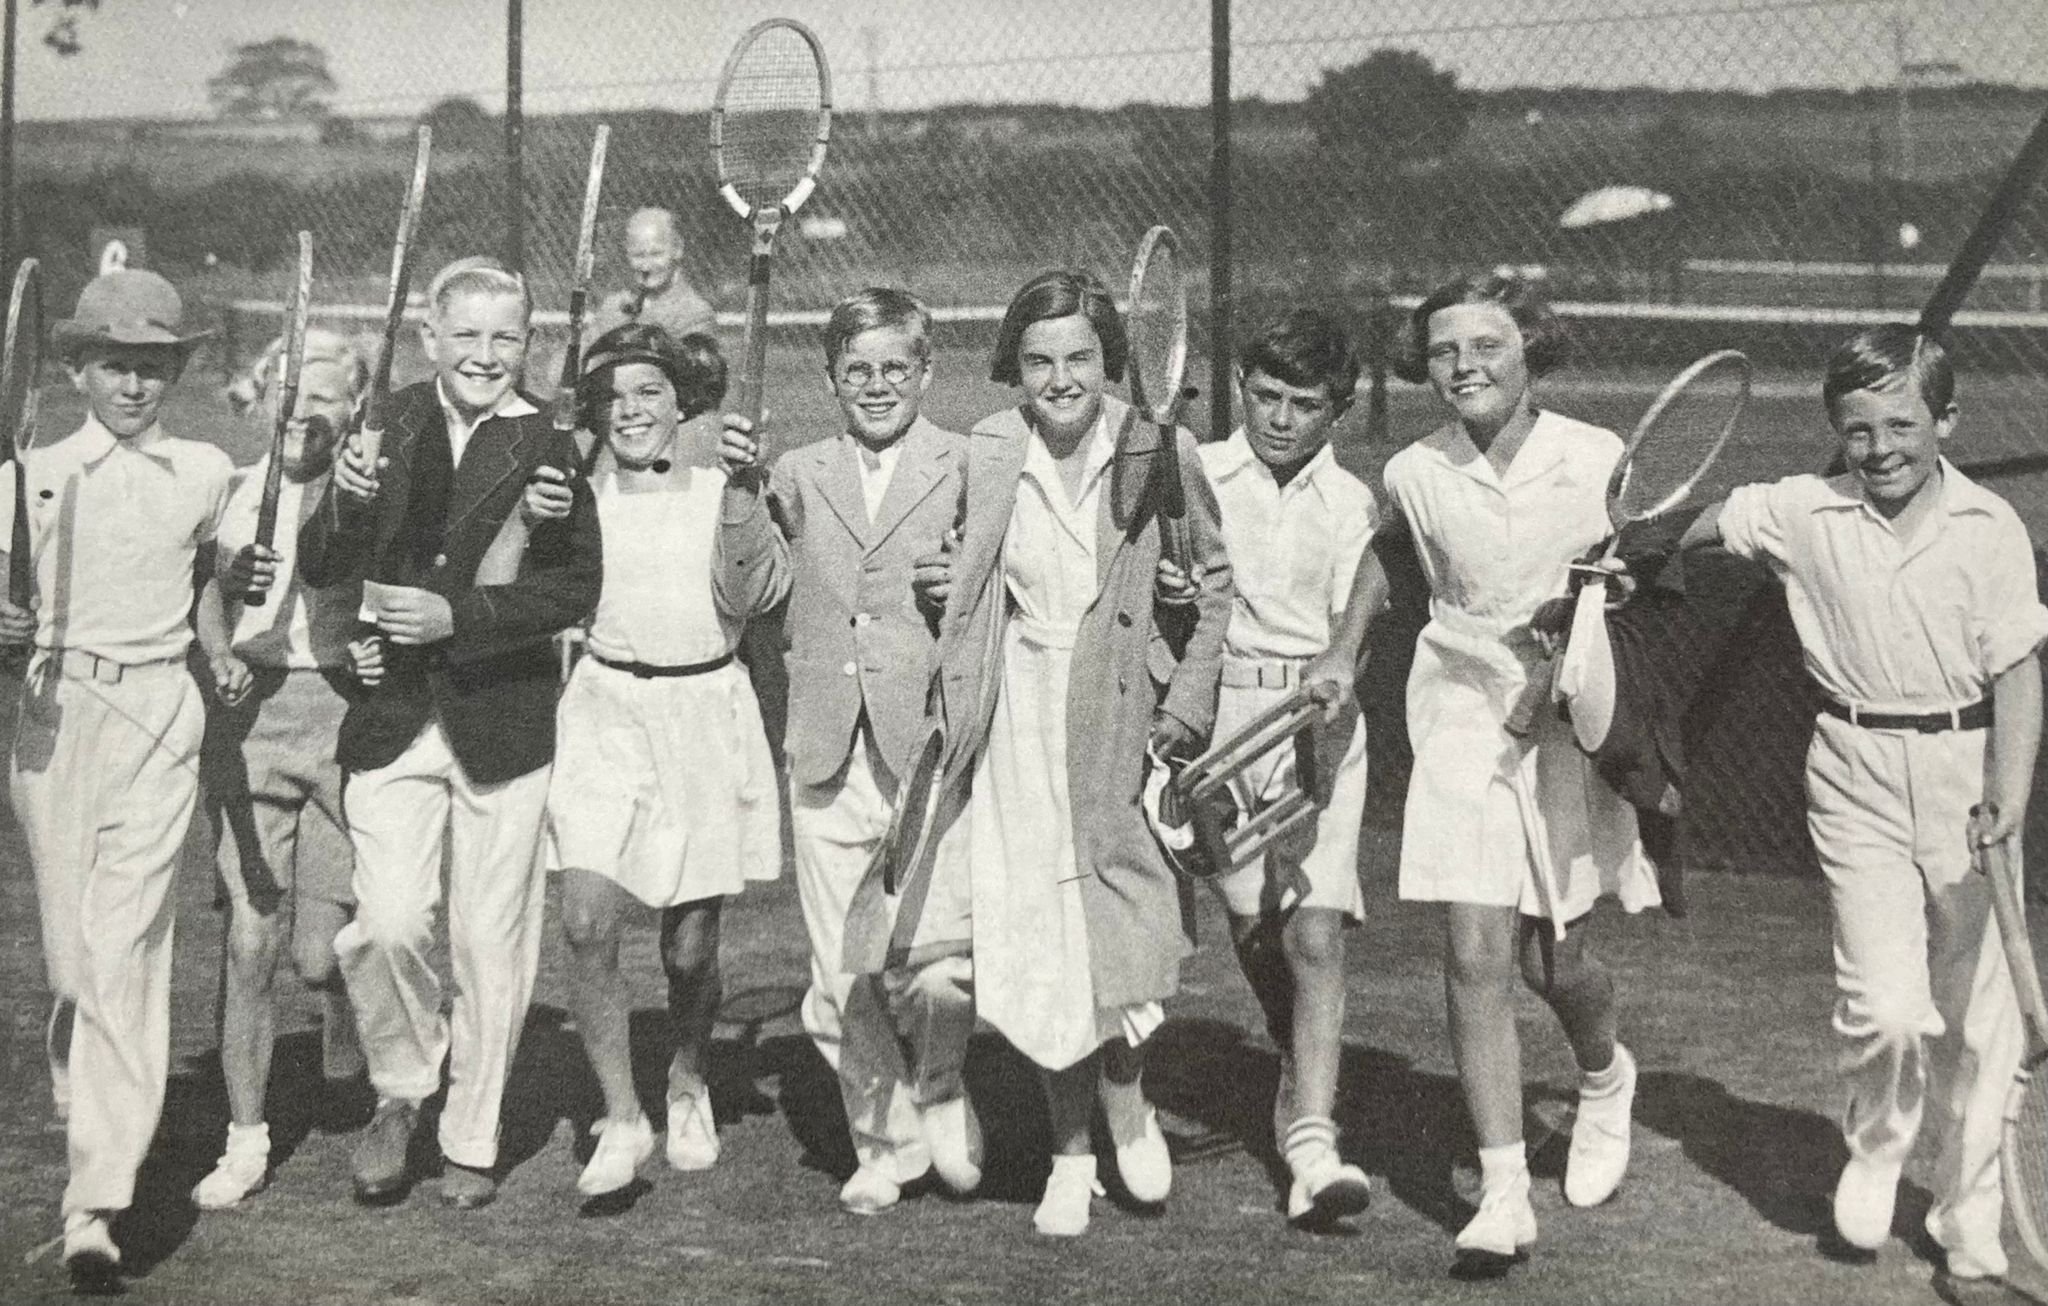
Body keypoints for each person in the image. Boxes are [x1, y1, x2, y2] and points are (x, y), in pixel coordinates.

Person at [1676, 325, 2043, 1282]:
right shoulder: (1803, 511)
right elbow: (1706, 518)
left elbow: (2019, 674)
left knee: (1977, 1022)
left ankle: (1967, 1213)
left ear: (1947, 421)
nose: (1880, 450)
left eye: (1901, 425)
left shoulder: (1992, 528)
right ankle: (1878, 1148)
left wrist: (2008, 793)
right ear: (1836, 433)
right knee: (1885, 1007)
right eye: (1858, 431)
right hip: (1852, 770)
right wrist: (1637, 539)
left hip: (1971, 781)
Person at [1312, 272, 1657, 1267]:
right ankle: (1502, 1189)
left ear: (1528, 349)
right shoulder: (1412, 469)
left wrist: (1565, 651)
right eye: (1442, 351)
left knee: (1559, 963)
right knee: (1472, 951)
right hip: (1460, 705)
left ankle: (1601, 1076)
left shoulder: (1594, 456)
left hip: (1566, 718)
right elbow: (1386, 559)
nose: (1463, 366)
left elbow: (1618, 579)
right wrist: (1342, 649)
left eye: (1485, 346)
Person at [897, 269, 1232, 1236]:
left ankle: (1128, 1104)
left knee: (1121, 927)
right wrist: (943, 584)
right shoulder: (992, 447)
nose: (1059, 377)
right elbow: (967, 567)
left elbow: (1210, 584)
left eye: (1079, 356)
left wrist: (1188, 701)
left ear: (1110, 359)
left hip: (1122, 719)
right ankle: (1070, 1155)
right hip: (1014, 719)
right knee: (1043, 946)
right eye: (1038, 360)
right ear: (1015, 368)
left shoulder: (1163, 445)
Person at [299, 256, 602, 1211]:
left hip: (504, 723)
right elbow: (322, 564)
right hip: (393, 721)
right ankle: (403, 1088)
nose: (484, 355)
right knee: (385, 923)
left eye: (504, 337)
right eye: (464, 336)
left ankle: (472, 1134)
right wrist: (343, 497)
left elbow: (573, 587)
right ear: (431, 341)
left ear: (529, 343)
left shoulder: (549, 439)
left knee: (488, 938)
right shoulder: (384, 423)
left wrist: (460, 619)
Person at [719, 288, 979, 1215]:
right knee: (840, 971)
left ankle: (943, 1082)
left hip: (931, 743)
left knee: (942, 962)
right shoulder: (792, 470)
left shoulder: (966, 463)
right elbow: (746, 588)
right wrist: (741, 491)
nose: (877, 386)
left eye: (894, 370)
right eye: (857, 371)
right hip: (825, 743)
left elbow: (998, 583)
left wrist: (965, 584)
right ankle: (885, 1139)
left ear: (926, 374)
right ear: (830, 378)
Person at [0, 269, 234, 1288]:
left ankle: (95, 1199)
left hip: (160, 717)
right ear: (77, 369)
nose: (134, 385)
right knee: (72, 966)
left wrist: (232, 615)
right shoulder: (29, 474)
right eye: (115, 366)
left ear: (174, 371)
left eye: (153, 367)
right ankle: (83, 1097)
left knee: (127, 947)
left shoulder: (204, 470)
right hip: (58, 722)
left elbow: (229, 576)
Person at [529, 323, 786, 1195]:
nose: (631, 410)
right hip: (603, 712)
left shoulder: (728, 488)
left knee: (687, 952)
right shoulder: (574, 495)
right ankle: (624, 1116)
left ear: (683, 402)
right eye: (613, 396)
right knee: (585, 920)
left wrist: (752, 490)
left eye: (650, 391)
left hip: (706, 715)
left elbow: (761, 596)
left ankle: (687, 1077)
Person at [1175, 309, 1377, 1226]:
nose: (1281, 418)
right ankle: (1298, 1062)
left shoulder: (1351, 503)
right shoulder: (1197, 473)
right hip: (1216, 724)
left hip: (1314, 723)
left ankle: (1312, 1145)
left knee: (1314, 935)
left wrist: (1333, 687)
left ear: (1337, 410)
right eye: (1265, 396)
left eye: (1304, 403)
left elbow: (1352, 634)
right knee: (1257, 935)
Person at [190, 327, 372, 1209]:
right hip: (252, 721)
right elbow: (204, 603)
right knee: (250, 938)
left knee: (319, 953)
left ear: (357, 408)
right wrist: (222, 647)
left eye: (327, 396)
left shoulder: (365, 493)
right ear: (261, 400)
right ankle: (246, 1136)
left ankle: (347, 1028)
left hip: (342, 719)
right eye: (288, 394)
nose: (304, 412)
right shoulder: (227, 492)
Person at [591, 207, 719, 343]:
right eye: (638, 255)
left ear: (678, 249)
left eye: (656, 254)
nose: (646, 266)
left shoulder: (695, 314)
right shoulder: (613, 307)